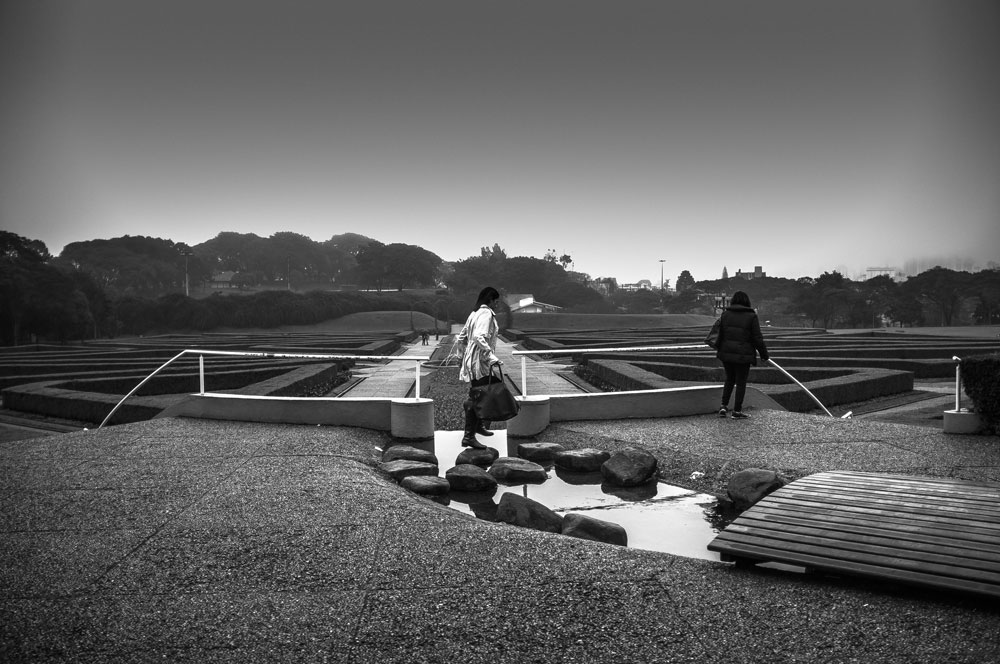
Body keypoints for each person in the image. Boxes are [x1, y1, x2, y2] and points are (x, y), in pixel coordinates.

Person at [455, 286, 503, 448]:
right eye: (496, 301)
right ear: (491, 300)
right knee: (483, 395)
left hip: (472, 361)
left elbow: (462, 337)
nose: (497, 304)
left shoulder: (474, 313)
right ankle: (469, 436)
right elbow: (478, 337)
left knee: (478, 394)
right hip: (479, 363)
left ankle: (477, 426)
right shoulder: (486, 314)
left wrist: (462, 356)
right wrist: (490, 356)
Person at [716, 290, 769, 420]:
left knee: (729, 379)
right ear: (747, 301)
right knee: (741, 382)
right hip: (743, 354)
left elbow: (720, 334)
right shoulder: (751, 316)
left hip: (726, 353)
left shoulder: (725, 314)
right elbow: (757, 338)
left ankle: (723, 406)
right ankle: (737, 411)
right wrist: (764, 354)